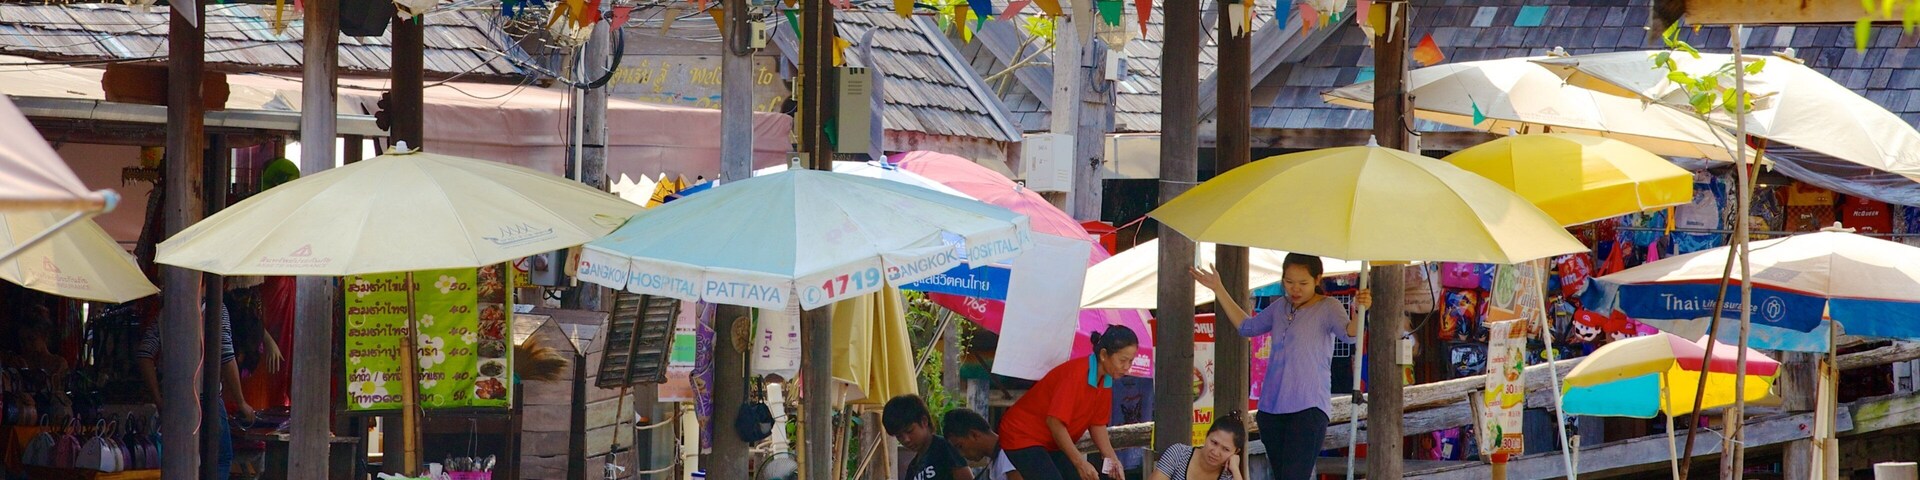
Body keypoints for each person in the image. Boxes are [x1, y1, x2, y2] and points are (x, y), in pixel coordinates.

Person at [1193, 254, 1371, 480]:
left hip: (1309, 408)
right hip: (1271, 410)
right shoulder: (1280, 307)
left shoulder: (1329, 307)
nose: (1295, 289)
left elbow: (1349, 334)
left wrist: (1360, 309)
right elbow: (1247, 327)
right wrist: (1218, 288)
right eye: (1289, 282)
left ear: (1318, 279)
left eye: (1303, 283)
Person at [998, 326, 1138, 480]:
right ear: (1104, 355)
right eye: (1123, 360)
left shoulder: (1106, 380)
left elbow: (1097, 424)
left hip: (1051, 440)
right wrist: (1080, 463)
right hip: (1021, 434)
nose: (1127, 367)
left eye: (1130, 361)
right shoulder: (1075, 375)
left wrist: (1112, 461)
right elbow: (1055, 422)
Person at [135, 301, 255, 480]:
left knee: (178, 459)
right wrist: (241, 402)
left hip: (174, 401)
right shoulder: (216, 309)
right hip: (207, 400)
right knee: (220, 459)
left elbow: (145, 354)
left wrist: (159, 400)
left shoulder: (166, 312)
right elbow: (227, 356)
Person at [884, 395, 972, 480]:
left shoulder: (944, 449)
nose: (906, 440)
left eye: (910, 431)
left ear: (924, 421)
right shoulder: (913, 468)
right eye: (899, 436)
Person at [1147, 412, 1248, 480]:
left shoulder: (1229, 476)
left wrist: (1235, 470)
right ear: (1206, 436)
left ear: (1235, 452)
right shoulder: (1179, 454)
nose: (1215, 452)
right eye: (1214, 443)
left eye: (1225, 449)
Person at [943, 409, 1020, 480]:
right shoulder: (997, 459)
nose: (961, 454)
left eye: (960, 446)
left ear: (974, 435)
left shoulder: (1008, 454)